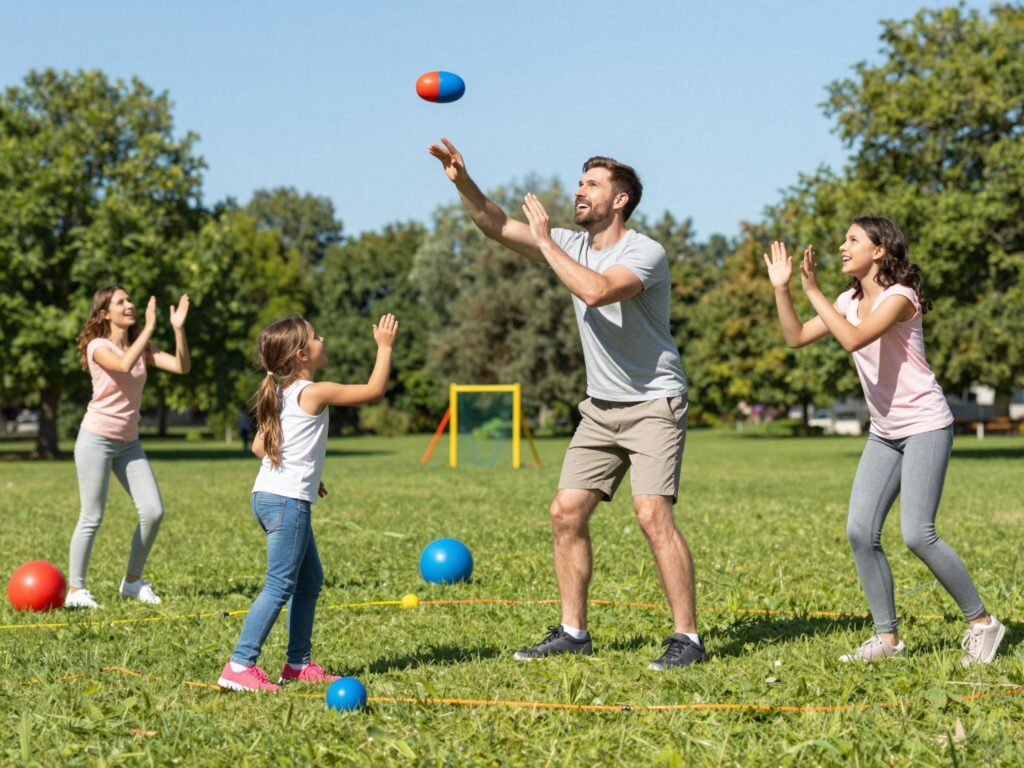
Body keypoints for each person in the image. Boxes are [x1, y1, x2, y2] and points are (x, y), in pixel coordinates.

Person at [429, 137, 703, 670]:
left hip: (653, 402)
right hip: (600, 407)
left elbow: (599, 290)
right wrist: (463, 179)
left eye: (592, 184)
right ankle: (574, 631)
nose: (580, 191)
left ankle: (687, 638)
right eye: (580, 182)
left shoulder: (644, 252)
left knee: (651, 515)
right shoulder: (568, 245)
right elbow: (493, 223)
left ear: (619, 200)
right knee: (565, 511)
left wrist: (546, 244)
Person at [763, 217, 1005, 666]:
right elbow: (796, 337)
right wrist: (783, 288)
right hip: (885, 432)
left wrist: (812, 290)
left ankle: (983, 624)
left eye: (853, 239)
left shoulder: (900, 298)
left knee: (917, 533)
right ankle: (888, 640)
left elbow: (854, 339)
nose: (841, 246)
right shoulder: (847, 300)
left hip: (926, 425)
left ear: (879, 250)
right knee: (860, 531)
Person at [217, 312, 398, 692]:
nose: (322, 341)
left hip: (267, 495)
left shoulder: (281, 393)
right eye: (316, 338)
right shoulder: (313, 391)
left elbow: (257, 446)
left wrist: (305, 473)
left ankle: (297, 664)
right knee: (280, 584)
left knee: (309, 579)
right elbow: (374, 390)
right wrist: (384, 347)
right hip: (287, 503)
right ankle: (239, 664)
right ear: (301, 354)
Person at [66, 285, 191, 609]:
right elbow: (121, 365)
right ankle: (76, 590)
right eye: (120, 302)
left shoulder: (141, 348)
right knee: (92, 514)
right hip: (96, 438)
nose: (129, 305)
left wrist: (177, 331)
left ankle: (132, 582)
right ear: (105, 313)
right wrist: (149, 327)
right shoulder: (98, 346)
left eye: (129, 300)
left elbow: (182, 367)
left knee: (153, 511)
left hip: (129, 442)